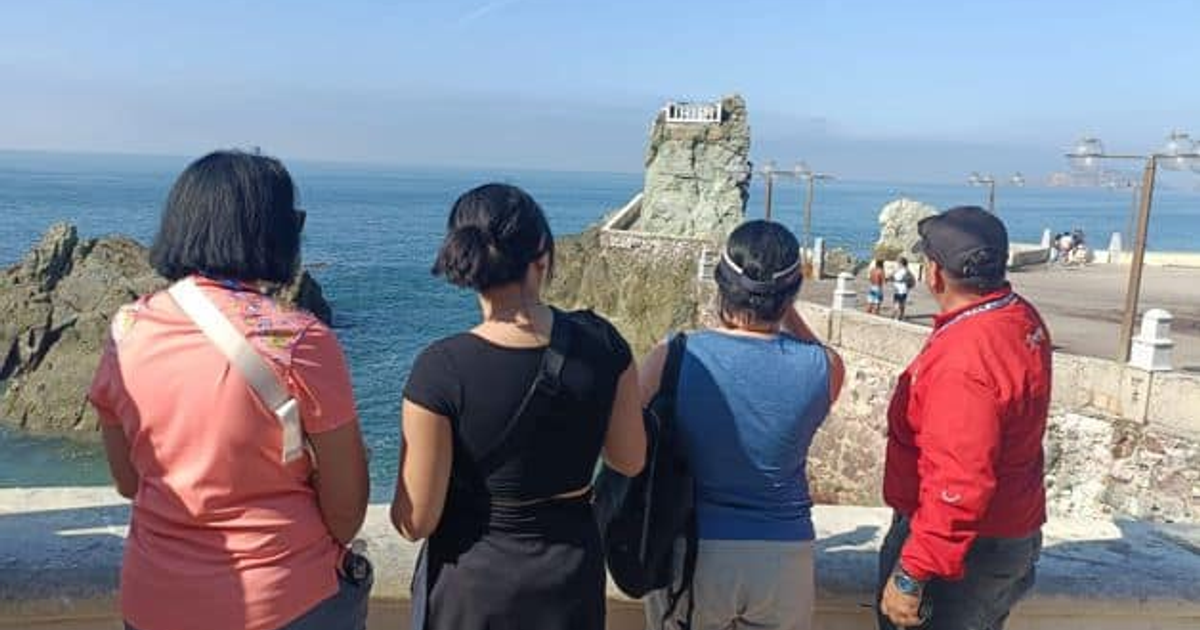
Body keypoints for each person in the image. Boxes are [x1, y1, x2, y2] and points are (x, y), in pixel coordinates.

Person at [89, 151, 371, 630]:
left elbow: (128, 481)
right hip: (286, 598)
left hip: (154, 600)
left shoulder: (126, 331)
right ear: (272, 231)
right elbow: (346, 514)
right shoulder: (301, 340)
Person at [392, 183, 645, 630]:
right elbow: (629, 458)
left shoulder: (440, 368)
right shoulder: (603, 344)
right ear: (542, 258)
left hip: (471, 587)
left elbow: (415, 521)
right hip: (569, 578)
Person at [642, 220, 845, 630]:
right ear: (790, 293)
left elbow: (625, 433)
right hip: (785, 553)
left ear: (721, 284)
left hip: (695, 547)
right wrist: (785, 304)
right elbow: (815, 349)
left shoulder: (675, 354)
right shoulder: (825, 368)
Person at [878, 206, 1051, 630]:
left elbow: (959, 481)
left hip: (962, 552)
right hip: (1010, 532)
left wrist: (911, 572)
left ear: (934, 273)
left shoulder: (963, 361)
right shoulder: (1019, 317)